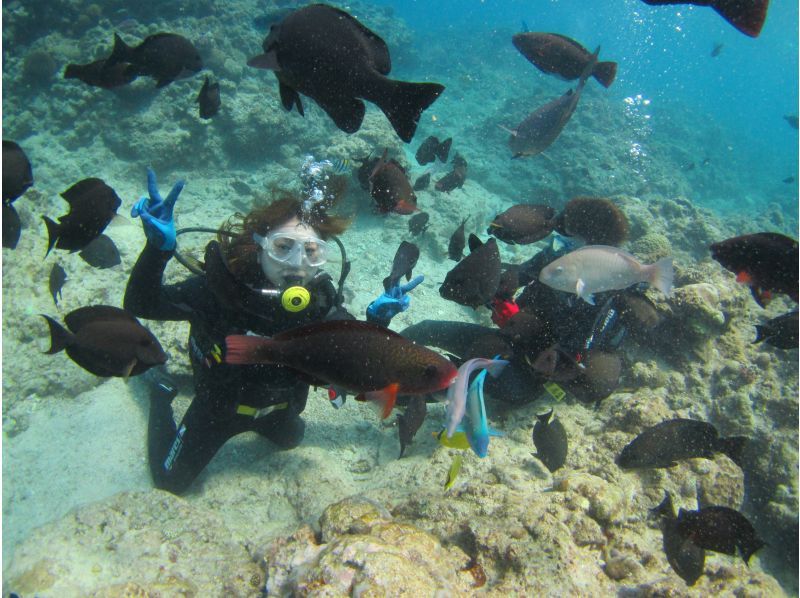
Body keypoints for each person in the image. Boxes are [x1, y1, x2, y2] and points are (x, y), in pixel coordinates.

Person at [124, 165, 422, 495]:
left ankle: (268, 422)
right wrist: (157, 252)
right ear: (259, 245)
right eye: (283, 247)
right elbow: (142, 304)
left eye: (311, 251)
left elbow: (358, 362)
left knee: (291, 438)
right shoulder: (220, 290)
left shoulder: (322, 305)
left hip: (281, 410)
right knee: (171, 481)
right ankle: (161, 395)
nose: (297, 263)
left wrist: (377, 322)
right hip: (216, 410)